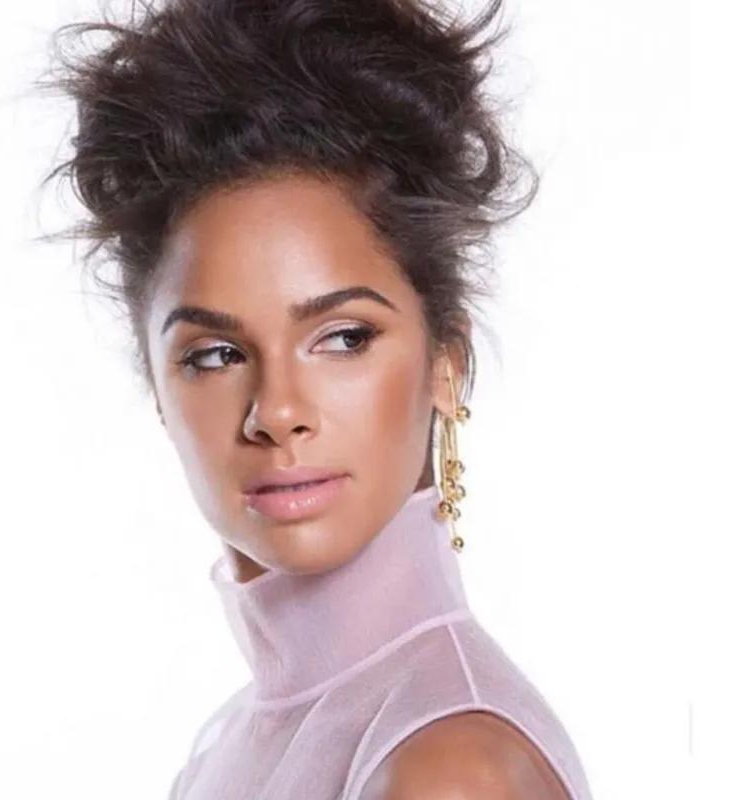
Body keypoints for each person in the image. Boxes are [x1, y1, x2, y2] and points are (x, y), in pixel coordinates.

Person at [38, 0, 594, 797]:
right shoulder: (235, 739)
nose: (278, 412)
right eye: (217, 353)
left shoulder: (448, 767)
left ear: (446, 361)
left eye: (343, 338)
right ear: (159, 390)